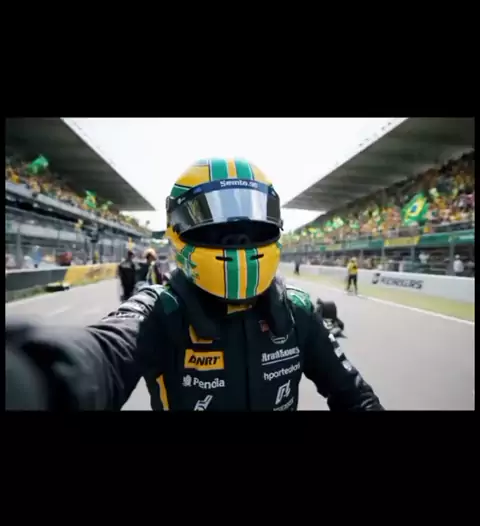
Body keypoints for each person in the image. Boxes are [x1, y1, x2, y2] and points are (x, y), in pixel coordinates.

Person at [5, 158, 383, 411]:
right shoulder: (159, 310)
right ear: (178, 229)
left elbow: (356, 397)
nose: (237, 239)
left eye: (249, 224)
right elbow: (103, 352)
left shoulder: (297, 310)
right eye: (218, 227)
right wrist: (36, 375)